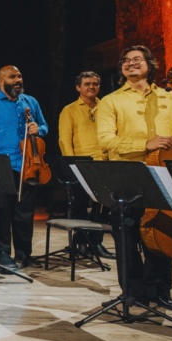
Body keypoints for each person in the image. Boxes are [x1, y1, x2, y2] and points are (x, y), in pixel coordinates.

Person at [96, 45, 172, 311]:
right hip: (127, 175)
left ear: (150, 65)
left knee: (161, 234)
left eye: (138, 59)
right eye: (126, 60)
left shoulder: (169, 99)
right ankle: (133, 292)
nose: (131, 63)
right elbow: (106, 140)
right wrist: (144, 143)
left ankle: (159, 290)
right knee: (126, 234)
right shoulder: (111, 101)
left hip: (162, 175)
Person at [0, 65, 48, 269]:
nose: (18, 79)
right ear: (1, 81)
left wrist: (39, 128)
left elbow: (44, 125)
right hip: (1, 166)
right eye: (12, 76)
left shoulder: (30, 102)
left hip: (28, 165)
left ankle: (24, 253)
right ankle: (3, 253)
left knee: (25, 213)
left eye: (20, 76)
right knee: (1, 212)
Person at [57, 71, 113, 259]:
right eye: (87, 84)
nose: (91, 87)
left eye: (95, 83)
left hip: (104, 163)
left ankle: (96, 243)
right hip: (81, 164)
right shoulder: (70, 110)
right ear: (78, 88)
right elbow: (64, 140)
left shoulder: (105, 107)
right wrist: (71, 165)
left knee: (103, 206)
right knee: (80, 205)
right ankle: (80, 243)